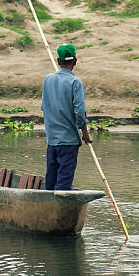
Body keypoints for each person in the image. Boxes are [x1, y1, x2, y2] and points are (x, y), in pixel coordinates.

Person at [41, 43, 92, 191]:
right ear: (75, 61)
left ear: (58, 61)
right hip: (69, 142)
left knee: (51, 180)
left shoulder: (48, 79)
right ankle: (58, 211)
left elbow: (44, 107)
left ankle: (48, 208)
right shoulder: (75, 82)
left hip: (52, 141)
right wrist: (86, 135)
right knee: (63, 182)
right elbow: (80, 114)